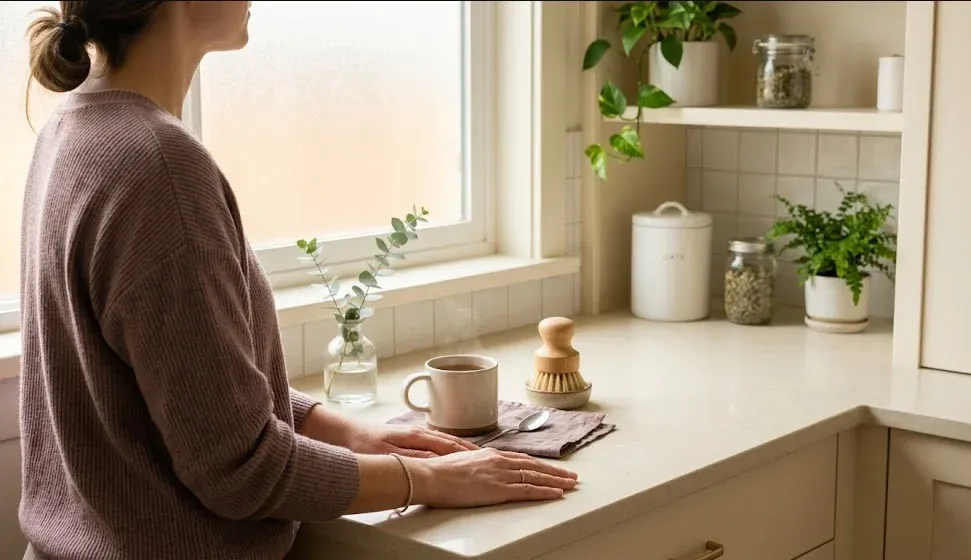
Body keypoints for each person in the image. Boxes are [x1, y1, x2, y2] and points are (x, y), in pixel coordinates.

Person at [17, 1, 578, 559]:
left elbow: (192, 384)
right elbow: (243, 472)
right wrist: (429, 479)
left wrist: (342, 431)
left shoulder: (73, 128)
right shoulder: (158, 165)